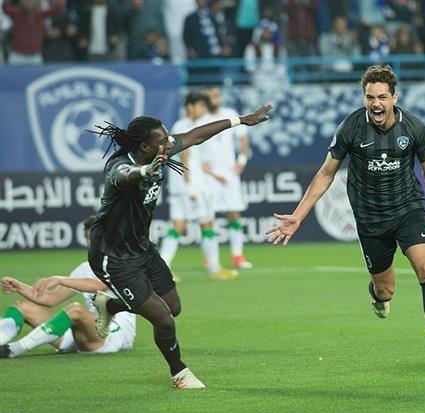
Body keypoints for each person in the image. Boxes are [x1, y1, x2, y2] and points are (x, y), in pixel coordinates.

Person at [266, 65, 425, 378]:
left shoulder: (414, 127)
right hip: (371, 219)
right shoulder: (351, 127)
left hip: (408, 209)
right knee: (386, 291)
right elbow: (326, 173)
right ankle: (377, 296)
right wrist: (298, 215)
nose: (375, 103)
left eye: (382, 97)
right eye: (370, 97)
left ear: (394, 97)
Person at [87, 103, 272, 389]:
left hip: (141, 248)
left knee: (173, 307)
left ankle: (110, 304)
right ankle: (180, 373)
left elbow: (196, 135)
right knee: (162, 318)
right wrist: (145, 171)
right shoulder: (119, 166)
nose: (170, 142)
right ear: (145, 148)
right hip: (113, 256)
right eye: (163, 140)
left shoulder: (160, 150)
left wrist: (240, 120)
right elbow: (125, 175)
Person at [0, 216, 136, 358]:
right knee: (23, 307)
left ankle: (14, 349)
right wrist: (19, 287)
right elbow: (52, 299)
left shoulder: (120, 262)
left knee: (76, 310)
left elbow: (98, 285)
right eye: (89, 238)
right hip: (86, 331)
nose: (94, 242)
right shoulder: (84, 268)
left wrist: (60, 280)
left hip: (114, 334)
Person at [160, 92, 238, 281]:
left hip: (180, 186)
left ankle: (163, 270)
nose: (203, 109)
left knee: (177, 225)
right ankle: (215, 269)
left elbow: (192, 159)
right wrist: (190, 186)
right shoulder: (186, 126)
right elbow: (185, 156)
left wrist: (209, 173)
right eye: (200, 106)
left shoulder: (179, 126)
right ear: (190, 107)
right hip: (191, 186)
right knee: (207, 223)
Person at [203, 86, 254, 269]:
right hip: (208, 175)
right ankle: (209, 257)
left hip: (229, 173)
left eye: (216, 95)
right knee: (207, 217)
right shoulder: (201, 119)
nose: (214, 99)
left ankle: (237, 255)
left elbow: (243, 140)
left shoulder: (230, 114)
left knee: (234, 213)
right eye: (210, 96)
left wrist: (241, 161)